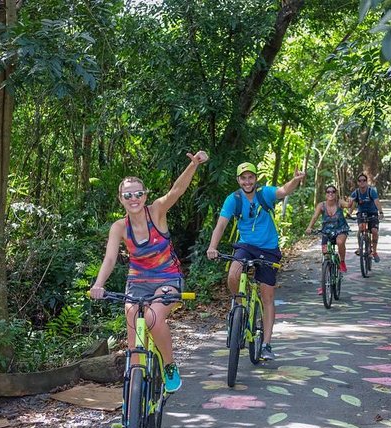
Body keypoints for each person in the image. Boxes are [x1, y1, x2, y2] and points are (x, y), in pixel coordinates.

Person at [90, 150, 209, 395]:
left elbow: (176, 190)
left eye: (138, 193)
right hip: (137, 281)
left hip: (167, 277)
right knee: (134, 341)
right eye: (127, 195)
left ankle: (169, 365)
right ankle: (130, 412)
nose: (133, 198)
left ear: (145, 196)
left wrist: (193, 165)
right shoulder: (119, 227)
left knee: (153, 316)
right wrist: (98, 284)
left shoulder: (156, 212)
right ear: (120, 199)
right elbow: (110, 258)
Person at [206, 162, 305, 361]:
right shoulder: (233, 199)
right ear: (238, 180)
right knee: (234, 273)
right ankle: (239, 307)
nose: (247, 181)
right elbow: (221, 224)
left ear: (255, 179)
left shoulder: (264, 194)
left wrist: (295, 179)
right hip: (246, 246)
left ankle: (267, 344)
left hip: (268, 249)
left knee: (267, 296)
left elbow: (283, 190)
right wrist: (212, 246)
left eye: (251, 177)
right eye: (243, 178)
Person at [305, 184, 351, 276]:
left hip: (340, 229)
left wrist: (350, 203)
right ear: (325, 194)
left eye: (333, 192)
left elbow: (348, 205)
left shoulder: (339, 202)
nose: (331, 193)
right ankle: (326, 280)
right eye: (328, 192)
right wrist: (309, 227)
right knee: (325, 254)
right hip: (327, 231)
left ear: (336, 194)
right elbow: (314, 217)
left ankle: (342, 261)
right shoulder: (321, 205)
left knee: (340, 242)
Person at [349, 173, 384, 261]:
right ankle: (359, 247)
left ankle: (374, 251)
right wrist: (349, 213)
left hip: (372, 212)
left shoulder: (371, 191)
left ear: (366, 182)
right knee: (361, 227)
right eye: (360, 181)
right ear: (358, 182)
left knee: (374, 231)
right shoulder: (356, 192)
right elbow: (352, 203)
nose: (362, 182)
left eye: (364, 180)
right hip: (362, 212)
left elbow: (377, 201)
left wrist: (380, 212)